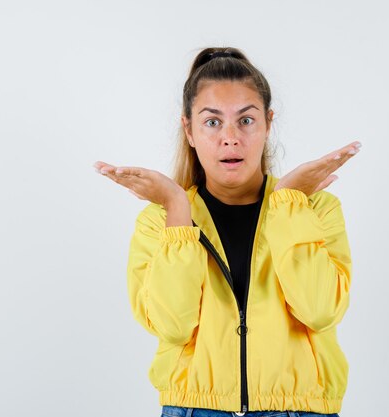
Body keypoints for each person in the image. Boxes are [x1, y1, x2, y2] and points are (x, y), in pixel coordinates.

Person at [94, 47, 360, 417]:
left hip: (300, 410)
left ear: (268, 124)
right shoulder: (159, 221)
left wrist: (288, 203)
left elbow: (319, 311)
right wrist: (176, 209)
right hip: (193, 409)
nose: (231, 138)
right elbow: (173, 326)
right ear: (188, 129)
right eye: (213, 122)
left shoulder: (315, 209)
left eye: (246, 121)